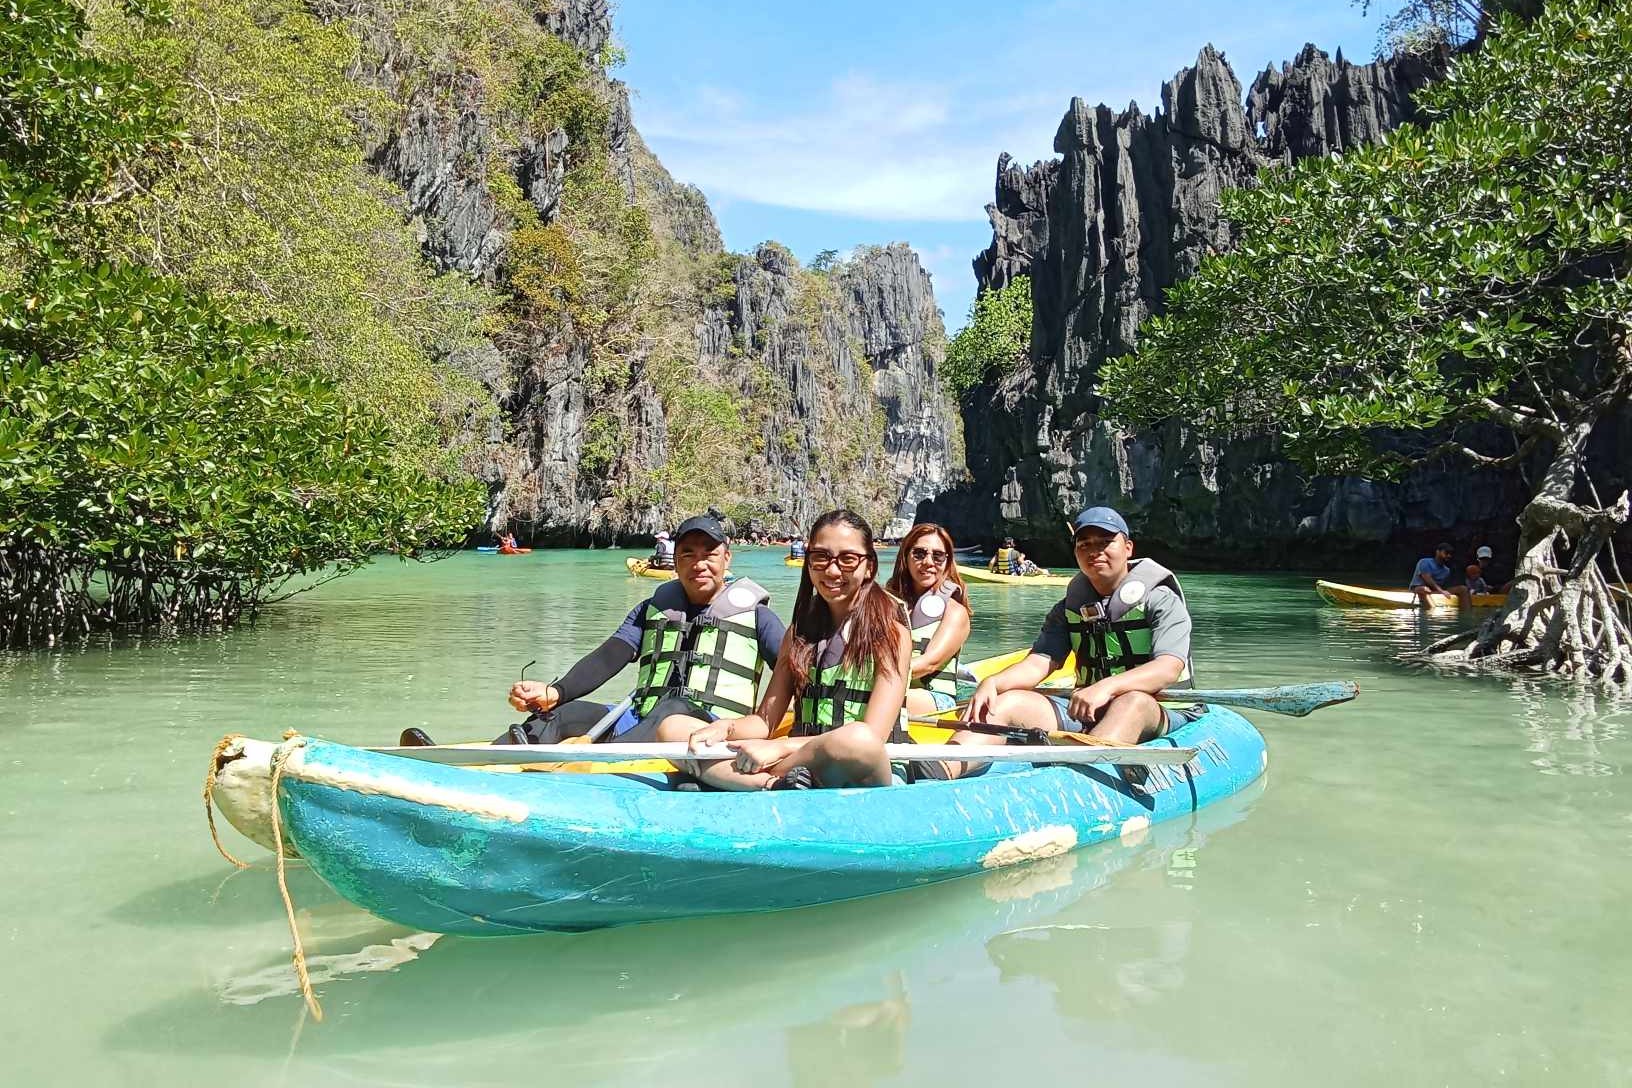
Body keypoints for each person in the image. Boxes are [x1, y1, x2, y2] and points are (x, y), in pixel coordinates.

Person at [399, 516, 783, 747]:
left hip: (705, 734)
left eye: (709, 554)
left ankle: (586, 758)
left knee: (674, 707)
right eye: (688, 554)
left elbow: (794, 672)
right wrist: (556, 692)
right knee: (566, 714)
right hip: (639, 724)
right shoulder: (654, 608)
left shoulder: (756, 616)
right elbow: (610, 655)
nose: (699, 564)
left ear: (726, 558)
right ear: (676, 561)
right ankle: (492, 759)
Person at [658, 509, 911, 790]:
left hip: (860, 764)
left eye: (848, 559)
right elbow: (765, 722)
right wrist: (726, 727)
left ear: (869, 567)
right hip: (797, 766)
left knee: (857, 739)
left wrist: (781, 748)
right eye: (821, 557)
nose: (833, 570)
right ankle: (772, 785)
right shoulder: (799, 632)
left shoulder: (891, 633)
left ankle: (732, 778)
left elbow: (874, 735)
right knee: (673, 727)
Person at [945, 506, 1195, 775]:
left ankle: (1080, 778)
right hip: (1088, 710)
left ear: (1128, 548)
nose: (1094, 550)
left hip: (1158, 710)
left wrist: (1106, 688)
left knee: (1132, 701)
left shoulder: (1161, 600)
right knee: (1004, 702)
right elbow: (1039, 663)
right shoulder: (1068, 609)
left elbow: (1169, 667)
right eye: (1084, 543)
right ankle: (937, 771)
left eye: (1105, 542)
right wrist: (993, 682)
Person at [884, 523, 972, 720]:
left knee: (871, 699)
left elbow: (929, 663)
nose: (928, 562)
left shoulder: (955, 612)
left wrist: (870, 680)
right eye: (919, 553)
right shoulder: (885, 605)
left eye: (938, 556)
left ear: (947, 562)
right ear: (906, 557)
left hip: (935, 699)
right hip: (889, 687)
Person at [1410, 542, 1471, 606]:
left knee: (1463, 589)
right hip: (1419, 589)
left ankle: (1467, 614)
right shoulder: (1424, 562)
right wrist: (1441, 591)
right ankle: (1431, 611)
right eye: (1446, 553)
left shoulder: (1446, 570)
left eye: (1450, 554)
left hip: (1435, 591)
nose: (1449, 556)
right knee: (1424, 589)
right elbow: (1427, 578)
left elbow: (1443, 586)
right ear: (1438, 552)